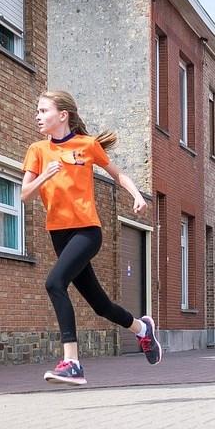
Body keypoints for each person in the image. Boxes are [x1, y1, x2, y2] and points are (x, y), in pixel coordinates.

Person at [21, 91, 162, 385]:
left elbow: (118, 174)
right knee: (100, 305)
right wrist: (45, 176)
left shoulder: (87, 145)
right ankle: (141, 329)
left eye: (44, 110)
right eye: (37, 111)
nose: (37, 115)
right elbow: (25, 195)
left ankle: (72, 362)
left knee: (54, 283)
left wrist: (137, 195)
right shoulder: (37, 150)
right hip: (58, 234)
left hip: (87, 231)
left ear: (63, 115)